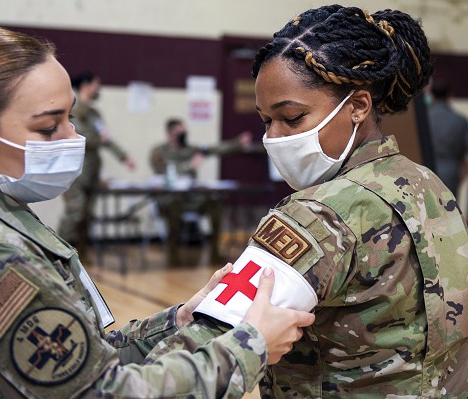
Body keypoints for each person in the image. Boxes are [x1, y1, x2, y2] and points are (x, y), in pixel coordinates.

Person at [0, 27, 316, 398]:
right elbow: (103, 393)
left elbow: (79, 359)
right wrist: (250, 346)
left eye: (70, 117)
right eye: (48, 127)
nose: (71, 137)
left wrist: (177, 319)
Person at [148, 5, 468, 398]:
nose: (276, 138)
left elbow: (198, 357)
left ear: (358, 106)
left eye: (293, 117)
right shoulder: (430, 186)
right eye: (266, 121)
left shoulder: (316, 215)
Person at [150, 118, 252, 265]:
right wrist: (189, 166)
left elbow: (215, 149)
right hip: (170, 199)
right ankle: (173, 256)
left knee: (214, 203)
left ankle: (214, 254)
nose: (183, 134)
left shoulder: (190, 149)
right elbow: (164, 171)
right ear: (170, 133)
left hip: (191, 199)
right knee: (173, 205)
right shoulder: (159, 152)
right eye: (179, 132)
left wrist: (238, 143)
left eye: (184, 131)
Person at [58, 71, 135, 262]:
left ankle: (81, 255)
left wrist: (123, 157)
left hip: (91, 171)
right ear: (86, 86)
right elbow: (82, 137)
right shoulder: (73, 109)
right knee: (75, 212)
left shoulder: (94, 113)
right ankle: (58, 254)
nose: (98, 88)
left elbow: (106, 138)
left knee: (87, 214)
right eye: (96, 84)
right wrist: (100, 138)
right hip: (74, 171)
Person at [427, 78, 468, 196]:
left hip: (425, 168)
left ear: (432, 96)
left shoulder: (424, 119)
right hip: (452, 172)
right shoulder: (459, 120)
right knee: (450, 208)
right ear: (449, 96)